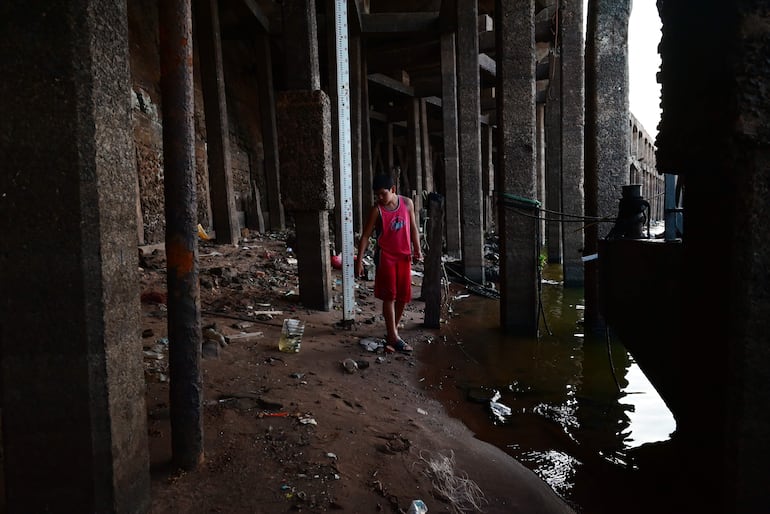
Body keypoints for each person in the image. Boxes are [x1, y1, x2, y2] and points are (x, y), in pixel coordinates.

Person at [356, 174, 422, 353]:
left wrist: (417, 249)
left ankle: (392, 331)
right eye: (377, 194)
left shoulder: (407, 203)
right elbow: (365, 236)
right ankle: (393, 336)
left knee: (403, 296)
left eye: (382, 194)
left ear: (393, 190)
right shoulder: (377, 210)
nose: (379, 198)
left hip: (404, 257)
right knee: (390, 297)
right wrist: (359, 260)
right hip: (386, 258)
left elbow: (413, 228)